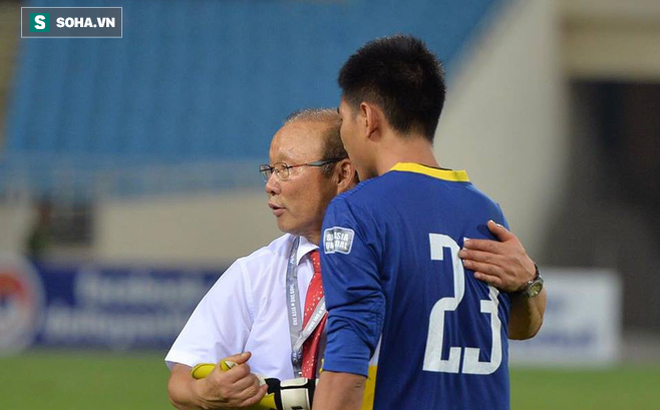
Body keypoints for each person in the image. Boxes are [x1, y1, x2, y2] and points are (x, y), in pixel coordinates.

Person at [166, 109, 542, 410]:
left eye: (286, 168)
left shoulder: (404, 257)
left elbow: (517, 326)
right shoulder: (254, 273)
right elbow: (181, 378)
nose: (271, 183)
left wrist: (529, 283)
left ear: (343, 173)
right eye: (270, 169)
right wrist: (206, 393)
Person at [313, 35, 546, 410]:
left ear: (369, 118)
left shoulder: (356, 210)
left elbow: (348, 355)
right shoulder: (486, 212)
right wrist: (531, 282)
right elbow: (522, 327)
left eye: (344, 119)